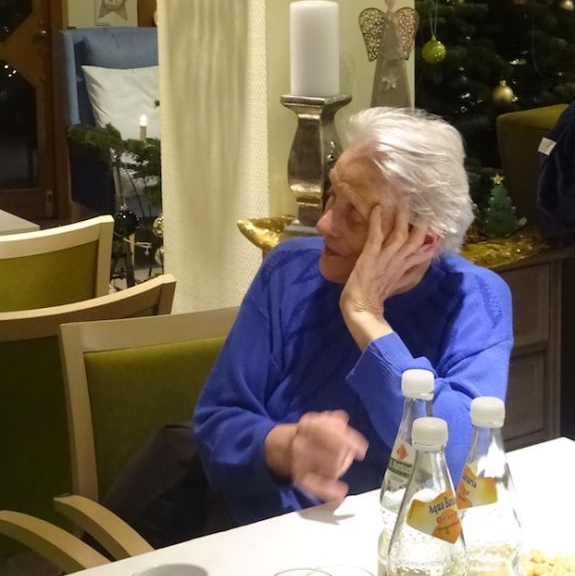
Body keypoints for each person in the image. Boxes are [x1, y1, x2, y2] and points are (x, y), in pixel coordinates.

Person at [193, 107, 513, 525]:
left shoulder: (475, 299)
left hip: (403, 538)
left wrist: (367, 318)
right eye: (332, 197)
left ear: (421, 241)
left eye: (354, 214)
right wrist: (287, 446)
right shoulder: (288, 272)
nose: (325, 225)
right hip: (268, 534)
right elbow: (214, 429)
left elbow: (459, 466)